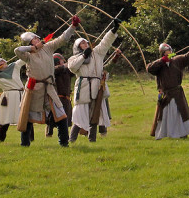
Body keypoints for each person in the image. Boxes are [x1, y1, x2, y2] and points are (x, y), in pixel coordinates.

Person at [13, 15, 80, 147]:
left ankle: (64, 144)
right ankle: (24, 144)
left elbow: (63, 38)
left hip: (49, 87)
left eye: (37, 38)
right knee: (27, 116)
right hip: (34, 89)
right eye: (34, 39)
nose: (38, 40)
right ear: (30, 43)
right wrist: (32, 49)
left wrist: (73, 26)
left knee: (61, 115)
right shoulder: (27, 55)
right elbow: (17, 50)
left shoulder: (48, 47)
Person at [67, 18, 120, 143]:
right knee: (80, 114)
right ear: (77, 47)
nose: (86, 44)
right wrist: (84, 55)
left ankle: (92, 140)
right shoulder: (74, 58)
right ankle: (72, 139)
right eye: (82, 43)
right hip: (84, 86)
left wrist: (114, 30)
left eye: (86, 43)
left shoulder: (97, 53)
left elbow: (105, 43)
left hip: (96, 86)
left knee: (96, 112)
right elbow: (73, 68)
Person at [146, 39, 189, 140]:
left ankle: (183, 134)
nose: (169, 53)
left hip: (177, 93)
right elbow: (149, 68)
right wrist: (162, 61)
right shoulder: (159, 64)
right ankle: (165, 134)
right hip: (165, 95)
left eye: (170, 51)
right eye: (167, 52)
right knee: (165, 115)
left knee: (180, 114)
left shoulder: (177, 60)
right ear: (162, 53)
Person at [46, 53, 73, 137]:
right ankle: (49, 133)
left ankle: (63, 135)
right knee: (53, 117)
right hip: (57, 97)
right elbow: (54, 70)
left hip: (66, 98)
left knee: (66, 118)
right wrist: (64, 66)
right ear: (57, 62)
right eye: (62, 61)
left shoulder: (67, 70)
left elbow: (74, 69)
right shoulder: (52, 70)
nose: (63, 62)